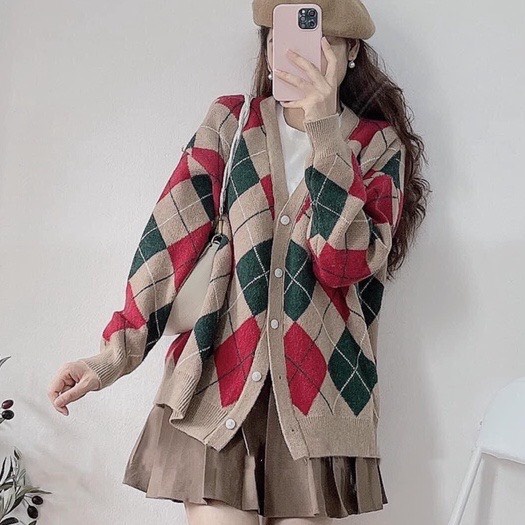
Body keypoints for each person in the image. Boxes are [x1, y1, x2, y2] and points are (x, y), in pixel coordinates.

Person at [48, 1, 430, 523]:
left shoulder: (377, 146)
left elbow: (341, 263)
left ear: (351, 53)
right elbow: (167, 243)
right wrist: (109, 360)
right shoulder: (231, 123)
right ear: (268, 50)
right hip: (215, 387)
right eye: (280, 39)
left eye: (318, 42)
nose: (296, 54)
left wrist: (324, 130)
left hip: (322, 398)